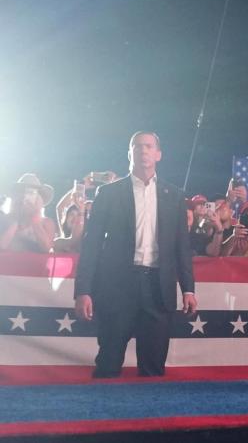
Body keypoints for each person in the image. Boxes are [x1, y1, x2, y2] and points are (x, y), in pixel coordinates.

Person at [73, 132, 198, 378]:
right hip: (117, 287)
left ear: (158, 154)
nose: (143, 150)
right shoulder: (108, 193)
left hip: (158, 288)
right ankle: (101, 414)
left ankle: (150, 416)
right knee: (108, 363)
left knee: (153, 368)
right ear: (129, 153)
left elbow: (181, 247)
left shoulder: (174, 196)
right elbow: (91, 246)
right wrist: (83, 290)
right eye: (137, 146)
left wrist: (189, 289)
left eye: (149, 146)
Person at [0, 174, 58, 253]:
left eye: (31, 193)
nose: (25, 197)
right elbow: (2, 246)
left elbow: (46, 248)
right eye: (21, 192)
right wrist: (16, 218)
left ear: (38, 198)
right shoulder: (4, 219)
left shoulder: (47, 223)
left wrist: (35, 216)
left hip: (36, 265)